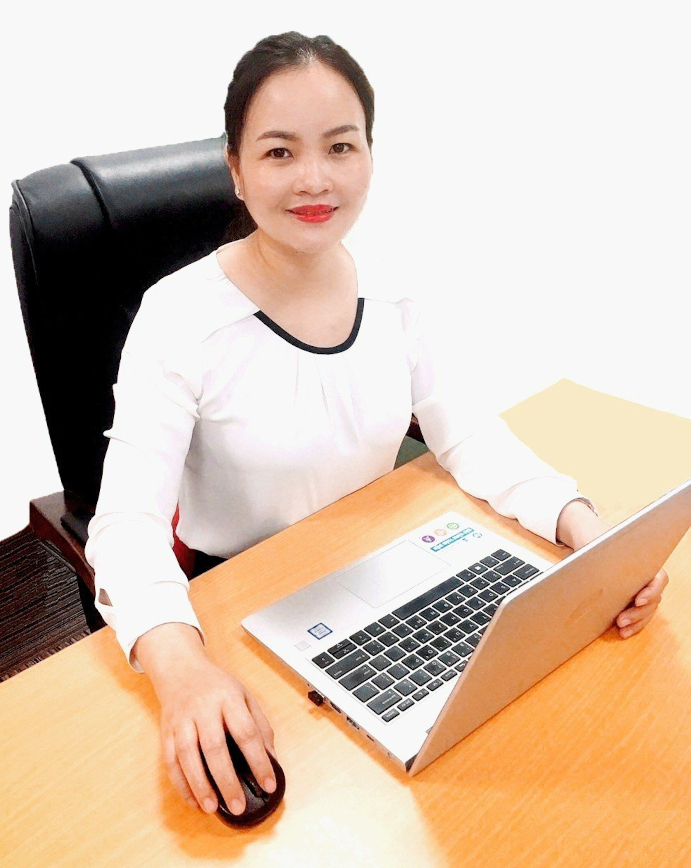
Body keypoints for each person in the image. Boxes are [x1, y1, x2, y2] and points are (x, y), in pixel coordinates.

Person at [85, 31, 669, 820]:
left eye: (340, 146)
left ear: (369, 154)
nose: (315, 179)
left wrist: (584, 532)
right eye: (279, 152)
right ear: (235, 168)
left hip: (386, 569)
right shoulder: (179, 319)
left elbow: (466, 435)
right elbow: (125, 526)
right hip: (236, 600)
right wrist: (181, 669)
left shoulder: (395, 286)